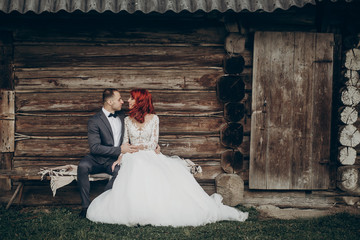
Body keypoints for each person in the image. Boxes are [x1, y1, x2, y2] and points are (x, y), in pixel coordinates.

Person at [86, 88, 248, 226]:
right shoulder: (127, 120)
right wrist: (120, 157)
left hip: (149, 154)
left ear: (140, 101)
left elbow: (153, 143)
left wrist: (139, 148)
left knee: (155, 175)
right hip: (132, 156)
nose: (128, 100)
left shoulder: (154, 119)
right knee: (133, 170)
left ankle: (157, 209)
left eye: (131, 98)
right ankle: (137, 210)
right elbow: (125, 142)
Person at [77, 88, 141, 218]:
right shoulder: (94, 121)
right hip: (96, 159)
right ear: (110, 102)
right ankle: (85, 207)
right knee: (82, 166)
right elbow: (94, 148)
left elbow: (140, 130)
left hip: (115, 160)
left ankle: (101, 205)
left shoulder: (124, 117)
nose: (122, 102)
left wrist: (153, 144)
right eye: (119, 99)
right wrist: (119, 150)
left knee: (121, 172)